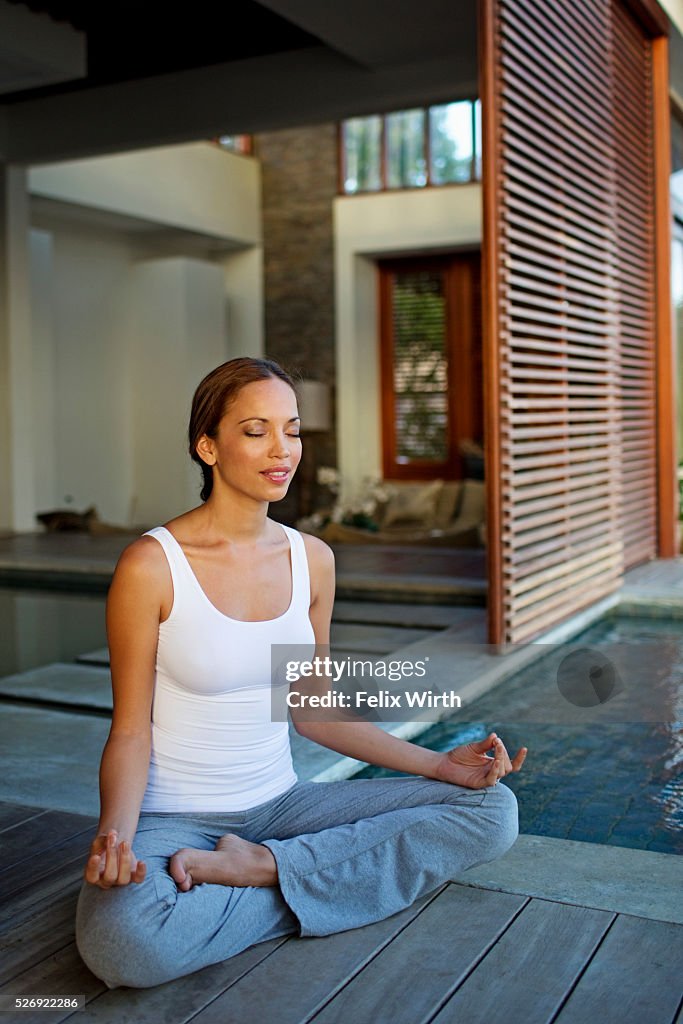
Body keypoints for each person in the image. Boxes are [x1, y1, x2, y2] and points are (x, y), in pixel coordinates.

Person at [75, 356, 527, 990]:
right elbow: (129, 732)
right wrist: (114, 840)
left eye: (291, 429)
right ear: (208, 446)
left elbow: (312, 711)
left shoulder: (312, 559)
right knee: (127, 946)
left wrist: (436, 765)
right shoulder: (152, 565)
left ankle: (262, 868)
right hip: (176, 820)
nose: (282, 449)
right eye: (256, 430)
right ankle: (312, 881)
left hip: (285, 809)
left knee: (493, 812)